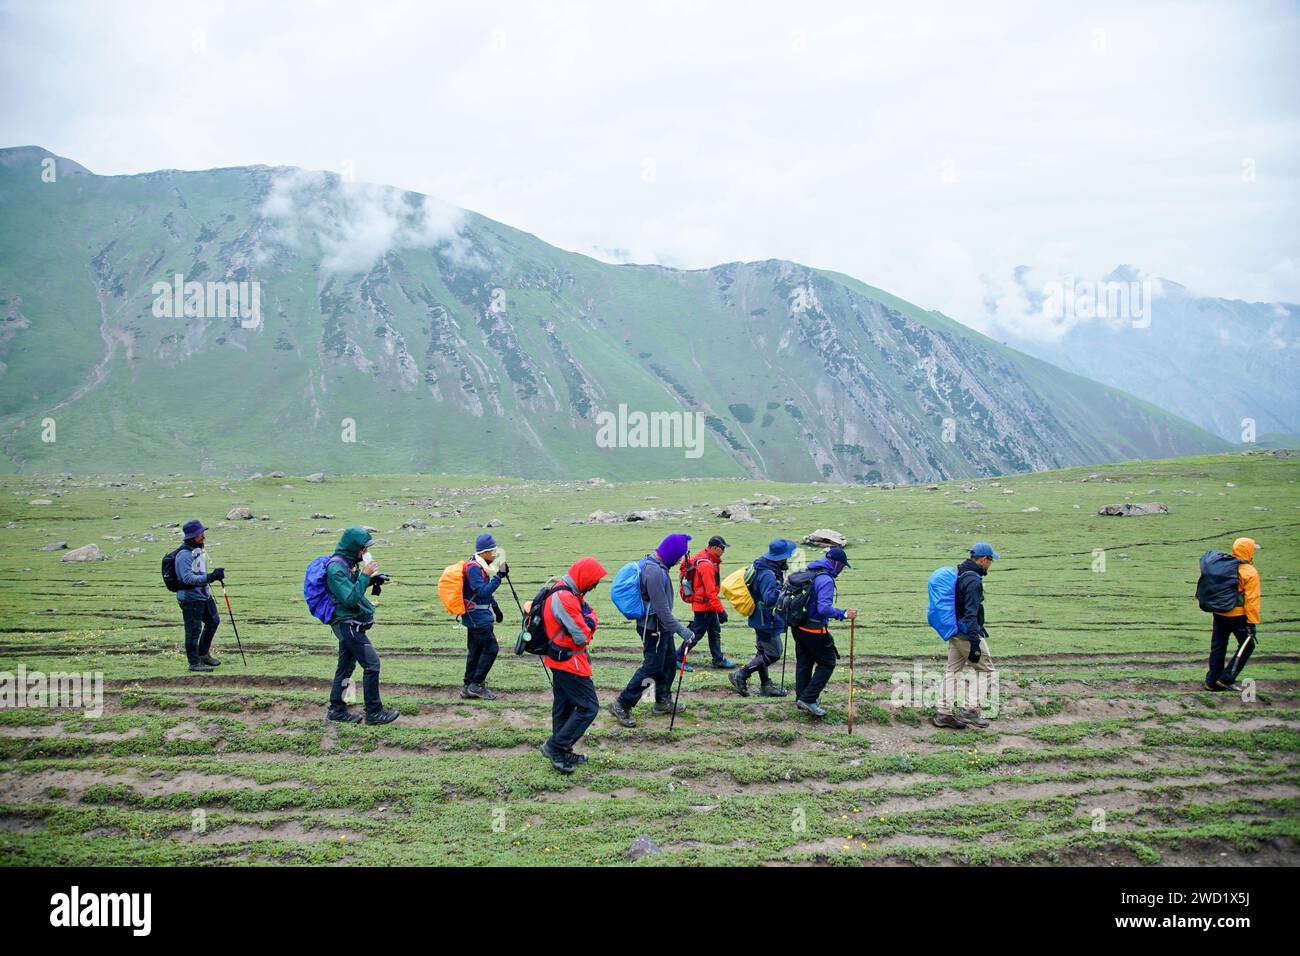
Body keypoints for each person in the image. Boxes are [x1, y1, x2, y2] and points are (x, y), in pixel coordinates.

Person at [607, 533, 696, 727]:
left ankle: (662, 701)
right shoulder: (654, 572)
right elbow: (663, 611)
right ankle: (622, 703)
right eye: (680, 555)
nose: (681, 559)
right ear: (671, 552)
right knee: (652, 667)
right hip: (653, 628)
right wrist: (683, 631)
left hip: (661, 627)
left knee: (669, 662)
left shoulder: (657, 565)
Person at [539, 557, 608, 773]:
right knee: (589, 707)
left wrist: (588, 619)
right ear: (585, 578)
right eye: (593, 583)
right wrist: (591, 621)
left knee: (564, 707)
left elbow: (586, 618)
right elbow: (582, 636)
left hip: (560, 658)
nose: (592, 587)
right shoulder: (566, 597)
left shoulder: (564, 591)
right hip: (570, 662)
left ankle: (563, 750)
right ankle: (555, 747)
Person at [325, 526, 398, 725]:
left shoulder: (349, 564)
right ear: (353, 547)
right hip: (348, 626)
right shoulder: (335, 569)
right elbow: (349, 598)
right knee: (372, 664)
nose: (365, 553)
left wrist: (372, 579)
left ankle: (337, 710)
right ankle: (374, 712)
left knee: (346, 668)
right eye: (363, 549)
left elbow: (354, 588)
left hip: (350, 624)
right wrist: (365, 575)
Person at [933, 542, 999, 730]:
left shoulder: (960, 572)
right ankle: (970, 710)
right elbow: (971, 611)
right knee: (987, 671)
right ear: (984, 559)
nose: (991, 564)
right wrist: (974, 640)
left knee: (952, 670)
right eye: (991, 560)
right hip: (966, 633)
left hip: (955, 631)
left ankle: (943, 713)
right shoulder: (973, 580)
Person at [791, 547, 858, 718]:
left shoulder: (811, 572)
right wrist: (843, 614)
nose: (841, 570)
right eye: (842, 566)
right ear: (836, 563)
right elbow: (824, 608)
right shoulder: (826, 580)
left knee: (804, 663)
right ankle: (809, 698)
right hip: (813, 629)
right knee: (828, 662)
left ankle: (801, 699)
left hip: (798, 626)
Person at [728, 538, 797, 698]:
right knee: (773, 653)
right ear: (781, 557)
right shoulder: (768, 574)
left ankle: (766, 685)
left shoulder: (764, 567)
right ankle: (741, 674)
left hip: (760, 617)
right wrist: (784, 586)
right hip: (766, 619)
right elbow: (770, 599)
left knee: (762, 652)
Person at [1205, 537, 1261, 691]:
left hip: (1219, 612)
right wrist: (1251, 623)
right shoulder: (1249, 572)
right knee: (1247, 646)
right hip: (1238, 616)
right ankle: (1226, 678)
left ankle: (1211, 681)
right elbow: (1252, 600)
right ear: (1249, 551)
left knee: (1218, 647)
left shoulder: (1222, 566)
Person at [675, 535, 737, 672]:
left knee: (714, 631)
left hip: (708, 605)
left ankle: (718, 659)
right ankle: (677, 657)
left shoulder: (705, 557)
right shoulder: (706, 565)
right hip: (704, 606)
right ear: (714, 548)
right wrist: (721, 610)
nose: (724, 550)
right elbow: (710, 592)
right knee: (695, 634)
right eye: (722, 548)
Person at [461, 533, 508, 700]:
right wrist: (499, 578)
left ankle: (468, 686)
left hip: (478, 615)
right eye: (493, 551)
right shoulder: (474, 568)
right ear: (484, 552)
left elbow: (484, 592)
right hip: (477, 618)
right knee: (491, 649)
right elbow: (482, 592)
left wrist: (496, 608)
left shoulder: (480, 566)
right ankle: (476, 685)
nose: (495, 554)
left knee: (475, 650)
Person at [173, 519, 225, 673]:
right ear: (192, 536)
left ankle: (203, 654)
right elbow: (188, 579)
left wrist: (213, 576)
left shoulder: (198, 551)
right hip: (190, 598)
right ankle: (194, 663)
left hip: (203, 595)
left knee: (213, 621)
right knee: (193, 630)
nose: (203, 536)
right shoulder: (184, 555)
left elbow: (199, 573)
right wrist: (210, 577)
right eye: (200, 534)